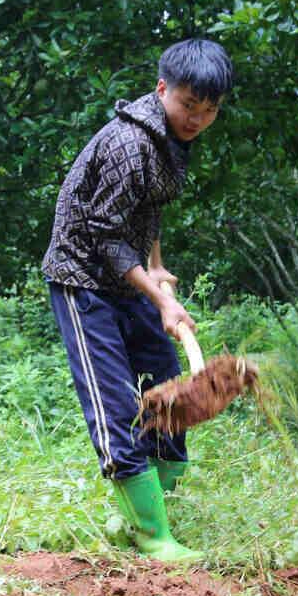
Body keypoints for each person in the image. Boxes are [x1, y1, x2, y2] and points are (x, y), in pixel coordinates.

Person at [41, 38, 233, 562]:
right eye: (188, 105)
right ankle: (153, 537)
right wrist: (163, 302)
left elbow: (143, 213)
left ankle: (137, 512)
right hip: (84, 279)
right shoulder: (130, 144)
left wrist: (154, 264)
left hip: (128, 277)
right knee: (117, 406)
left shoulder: (170, 139)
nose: (197, 118)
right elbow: (103, 234)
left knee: (171, 393)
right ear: (162, 88)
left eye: (209, 110)